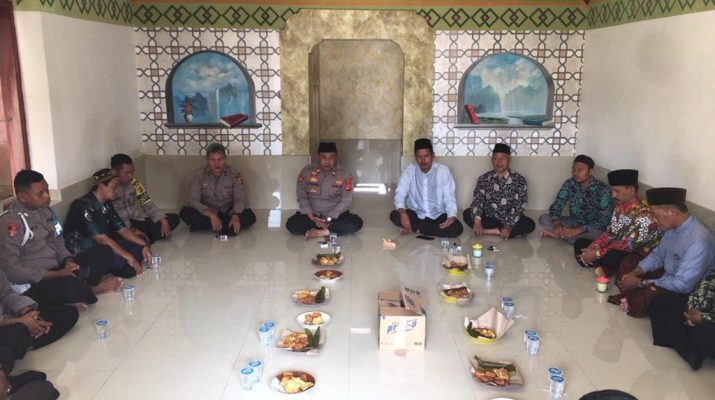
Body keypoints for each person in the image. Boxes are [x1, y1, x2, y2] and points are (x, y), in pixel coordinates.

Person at [0, 170, 121, 308]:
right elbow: (12, 270)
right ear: (22, 197)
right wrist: (56, 274)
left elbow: (58, 240)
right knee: (69, 292)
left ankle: (79, 289)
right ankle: (92, 289)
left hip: (59, 268)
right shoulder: (11, 223)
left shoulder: (45, 211)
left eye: (47, 190)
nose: (47, 196)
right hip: (38, 280)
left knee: (104, 252)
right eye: (40, 193)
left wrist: (68, 260)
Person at [615, 188, 714, 318]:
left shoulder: (699, 241)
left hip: (684, 292)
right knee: (630, 261)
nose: (653, 220)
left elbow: (683, 285)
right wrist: (636, 272)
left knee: (654, 294)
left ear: (672, 212)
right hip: (666, 277)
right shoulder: (672, 228)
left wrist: (640, 282)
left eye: (655, 215)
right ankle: (632, 297)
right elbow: (658, 256)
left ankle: (633, 299)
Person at [574, 169, 661, 277]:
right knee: (580, 243)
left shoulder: (646, 216)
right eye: (612, 191)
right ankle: (600, 264)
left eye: (617, 191)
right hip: (615, 248)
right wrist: (594, 246)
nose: (613, 195)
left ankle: (601, 265)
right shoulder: (620, 207)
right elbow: (610, 233)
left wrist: (597, 253)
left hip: (636, 254)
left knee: (614, 256)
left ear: (631, 190)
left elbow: (628, 245)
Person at [64, 169, 151, 278]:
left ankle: (128, 263)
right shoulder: (81, 207)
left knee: (141, 239)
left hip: (105, 246)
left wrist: (145, 245)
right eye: (114, 187)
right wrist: (130, 257)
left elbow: (123, 229)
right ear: (101, 186)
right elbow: (101, 239)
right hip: (87, 252)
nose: (117, 191)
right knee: (121, 260)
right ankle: (124, 264)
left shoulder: (106, 204)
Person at [286, 142, 363, 239]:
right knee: (291, 224)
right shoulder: (306, 172)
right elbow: (302, 197)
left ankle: (319, 232)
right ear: (318, 157)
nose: (327, 161)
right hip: (313, 216)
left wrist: (330, 217)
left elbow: (346, 200)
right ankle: (330, 230)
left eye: (331, 157)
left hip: (335, 216)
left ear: (336, 157)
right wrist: (311, 216)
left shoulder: (344, 174)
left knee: (356, 222)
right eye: (323, 157)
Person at [390, 138, 463, 238]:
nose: (423, 160)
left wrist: (451, 216)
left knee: (457, 228)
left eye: (426, 156)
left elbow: (449, 197)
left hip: (438, 215)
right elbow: (400, 194)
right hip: (416, 214)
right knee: (395, 216)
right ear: (415, 157)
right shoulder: (409, 171)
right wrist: (403, 213)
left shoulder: (443, 171)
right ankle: (428, 229)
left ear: (433, 155)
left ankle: (417, 228)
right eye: (419, 156)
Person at [180, 143, 256, 236]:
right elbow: (193, 200)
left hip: (228, 211)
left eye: (220, 159)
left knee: (249, 217)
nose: (217, 163)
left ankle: (207, 226)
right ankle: (226, 226)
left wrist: (235, 215)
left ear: (225, 158)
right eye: (213, 160)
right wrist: (211, 215)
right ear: (207, 159)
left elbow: (240, 198)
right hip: (208, 212)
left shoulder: (234, 174)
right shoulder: (199, 175)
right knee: (185, 213)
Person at [463, 143, 535, 239]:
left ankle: (488, 231)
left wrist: (508, 226)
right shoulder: (484, 178)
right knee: (467, 213)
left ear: (509, 160)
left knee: (530, 225)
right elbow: (478, 200)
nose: (499, 162)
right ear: (492, 160)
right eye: (495, 158)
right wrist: (477, 221)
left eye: (503, 159)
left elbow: (519, 206)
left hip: (508, 218)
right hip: (489, 216)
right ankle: (499, 231)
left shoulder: (519, 180)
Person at [649, 269, 715, 370]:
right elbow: (702, 290)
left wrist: (703, 319)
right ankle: (685, 347)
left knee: (706, 335)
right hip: (700, 312)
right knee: (660, 302)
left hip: (710, 323)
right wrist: (689, 310)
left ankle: (680, 342)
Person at [540, 155, 614, 244]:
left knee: (598, 233)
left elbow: (604, 220)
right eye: (573, 169)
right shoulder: (569, 183)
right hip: (574, 221)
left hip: (591, 226)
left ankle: (562, 236)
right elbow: (557, 205)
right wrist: (557, 224)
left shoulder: (603, 190)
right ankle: (568, 236)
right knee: (543, 218)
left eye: (579, 170)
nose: (575, 173)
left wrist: (578, 230)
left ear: (590, 171)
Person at [110, 153, 180, 244]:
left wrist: (163, 220)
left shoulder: (134, 183)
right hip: (122, 227)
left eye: (132, 172)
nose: (130, 176)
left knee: (173, 218)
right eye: (126, 173)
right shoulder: (110, 188)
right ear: (115, 172)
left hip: (137, 222)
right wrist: (131, 231)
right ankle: (142, 237)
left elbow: (147, 203)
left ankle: (143, 237)